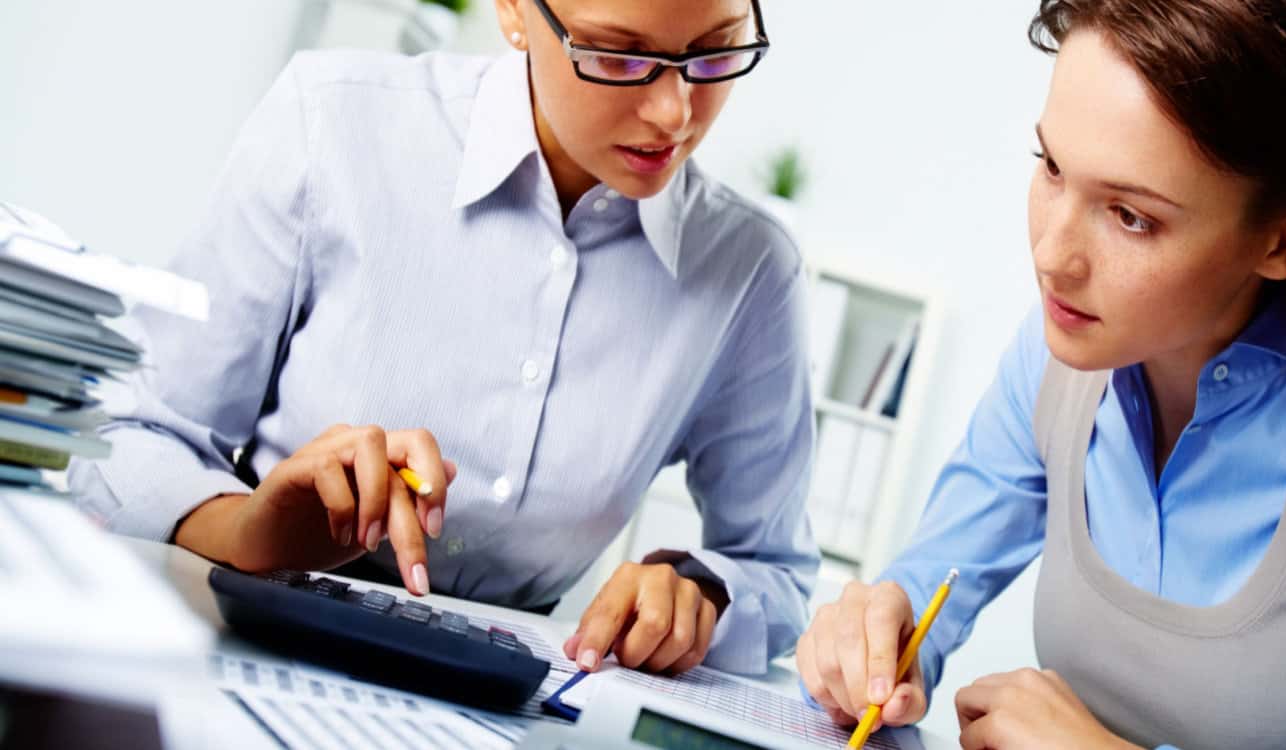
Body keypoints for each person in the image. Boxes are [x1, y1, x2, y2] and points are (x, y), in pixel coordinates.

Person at [795, 1, 1286, 747]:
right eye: (1052, 167)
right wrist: (872, 640)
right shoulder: (1057, 361)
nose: (1051, 257)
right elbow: (930, 584)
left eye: (1131, 216)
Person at [69, 0, 818, 677]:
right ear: (516, 12)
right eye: (617, 58)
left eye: (715, 56)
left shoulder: (750, 273)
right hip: (234, 646)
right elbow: (126, 437)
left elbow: (776, 572)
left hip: (511, 705)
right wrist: (242, 530)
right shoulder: (330, 123)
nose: (672, 112)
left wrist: (700, 592)